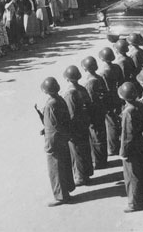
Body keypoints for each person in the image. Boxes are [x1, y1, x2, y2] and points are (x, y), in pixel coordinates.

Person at [40, 77, 75, 207]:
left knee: (55, 168)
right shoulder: (60, 100)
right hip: (62, 137)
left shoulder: (50, 104)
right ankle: (66, 191)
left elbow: (55, 124)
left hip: (54, 140)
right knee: (63, 165)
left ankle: (61, 196)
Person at [63, 65, 94, 186]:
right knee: (85, 149)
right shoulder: (82, 89)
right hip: (84, 123)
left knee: (77, 152)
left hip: (75, 126)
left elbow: (71, 114)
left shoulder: (70, 93)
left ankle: (81, 177)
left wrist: (68, 129)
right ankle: (87, 173)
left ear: (67, 78)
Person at [119, 82, 143, 212]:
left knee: (131, 175)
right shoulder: (139, 105)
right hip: (139, 143)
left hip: (131, 147)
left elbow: (126, 135)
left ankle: (134, 203)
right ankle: (141, 199)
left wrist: (123, 152)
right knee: (140, 172)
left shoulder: (127, 112)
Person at [81, 56, 108, 170]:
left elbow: (90, 100)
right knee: (101, 134)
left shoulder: (89, 83)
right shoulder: (99, 78)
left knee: (96, 136)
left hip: (94, 112)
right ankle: (103, 158)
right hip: (101, 109)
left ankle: (99, 161)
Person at [98, 47, 123, 155]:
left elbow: (103, 88)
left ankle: (113, 148)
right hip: (117, 94)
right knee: (117, 119)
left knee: (110, 123)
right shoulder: (117, 67)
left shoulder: (102, 72)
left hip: (109, 98)